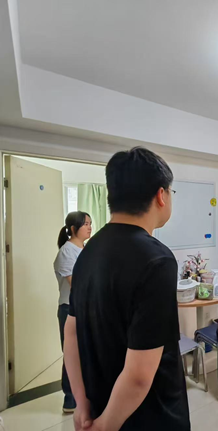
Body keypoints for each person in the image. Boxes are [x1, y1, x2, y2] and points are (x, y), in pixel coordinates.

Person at [64, 146, 189, 430]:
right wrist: (106, 426)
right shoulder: (157, 260)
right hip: (148, 415)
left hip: (101, 401)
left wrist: (81, 403)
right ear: (161, 195)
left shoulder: (87, 251)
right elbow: (140, 375)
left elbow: (71, 331)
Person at [54, 211, 91, 414]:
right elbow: (76, 285)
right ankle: (69, 399)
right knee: (72, 354)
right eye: (85, 224)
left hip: (86, 308)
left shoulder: (85, 249)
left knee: (86, 352)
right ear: (74, 229)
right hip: (69, 309)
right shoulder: (67, 252)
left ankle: (85, 395)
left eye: (90, 223)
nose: (90, 227)